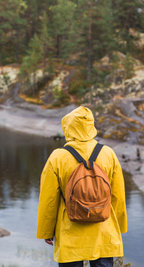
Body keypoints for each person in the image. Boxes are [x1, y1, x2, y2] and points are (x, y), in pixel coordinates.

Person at [36, 106, 127, 267]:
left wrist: (46, 231)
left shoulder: (58, 157)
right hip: (103, 231)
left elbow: (48, 199)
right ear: (91, 126)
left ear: (68, 127)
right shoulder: (108, 153)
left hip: (70, 233)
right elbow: (117, 195)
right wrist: (118, 226)